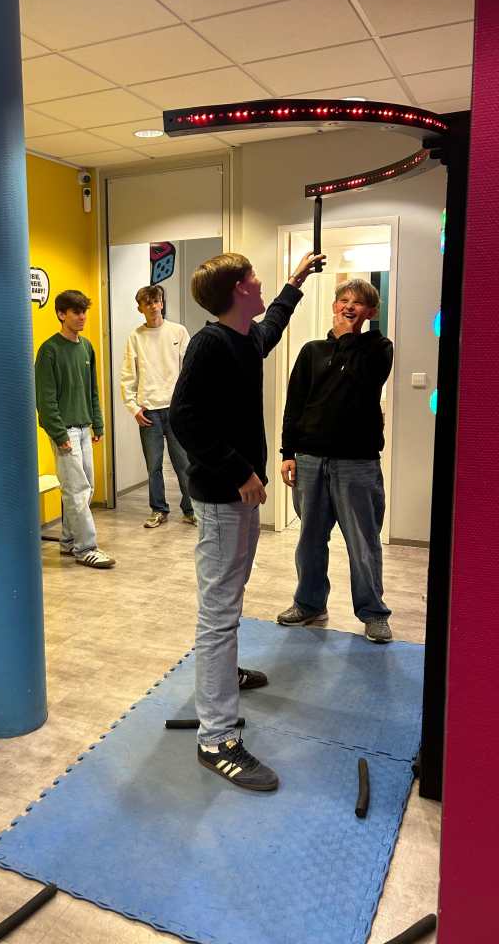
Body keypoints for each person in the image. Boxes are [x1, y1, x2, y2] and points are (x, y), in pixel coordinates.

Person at [170, 249, 322, 791]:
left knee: (229, 596)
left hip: (239, 495)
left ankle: (224, 676)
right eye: (254, 277)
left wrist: (295, 283)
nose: (260, 283)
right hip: (221, 499)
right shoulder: (210, 343)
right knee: (218, 612)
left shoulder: (243, 337)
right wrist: (238, 471)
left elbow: (270, 328)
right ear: (238, 289)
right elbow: (184, 417)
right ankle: (216, 739)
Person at [277, 278, 394, 643]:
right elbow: (295, 404)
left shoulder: (378, 348)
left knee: (363, 542)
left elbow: (363, 382)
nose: (349, 306)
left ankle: (373, 613)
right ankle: (309, 604)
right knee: (310, 540)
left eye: (357, 302)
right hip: (311, 459)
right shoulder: (311, 351)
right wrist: (288, 453)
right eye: (343, 299)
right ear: (333, 305)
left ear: (370, 311)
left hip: (357, 463)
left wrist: (346, 338)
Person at [35, 289, 115, 569]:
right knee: (77, 490)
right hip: (64, 431)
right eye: (76, 312)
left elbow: (92, 389)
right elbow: (45, 399)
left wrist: (98, 422)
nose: (82, 317)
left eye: (84, 312)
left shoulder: (86, 347)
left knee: (85, 488)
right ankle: (86, 548)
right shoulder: (49, 350)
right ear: (61, 314)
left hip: (83, 427)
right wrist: (59, 434)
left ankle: (69, 540)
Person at [120, 284, 195, 529]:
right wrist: (134, 408)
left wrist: (187, 404)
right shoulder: (136, 337)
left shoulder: (178, 331)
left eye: (156, 301)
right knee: (154, 466)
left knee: (183, 464)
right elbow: (127, 376)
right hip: (148, 412)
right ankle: (158, 509)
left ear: (162, 303)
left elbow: (190, 369)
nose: (153, 306)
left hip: (175, 411)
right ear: (140, 308)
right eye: (147, 303)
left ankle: (190, 510)